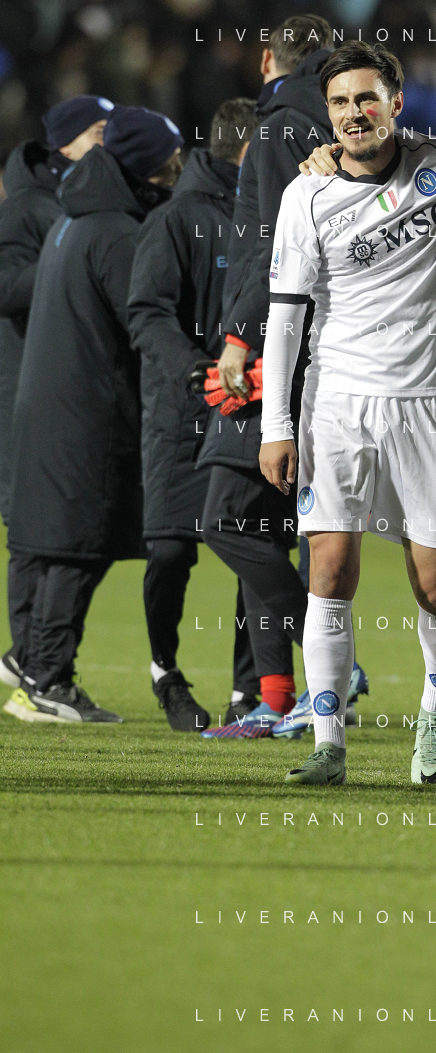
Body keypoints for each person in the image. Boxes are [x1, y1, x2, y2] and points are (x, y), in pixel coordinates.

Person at [259, 40, 436, 786]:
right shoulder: (305, 196)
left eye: (366, 98)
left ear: (396, 103)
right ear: (327, 114)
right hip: (336, 403)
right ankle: (328, 742)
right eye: (340, 103)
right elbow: (284, 317)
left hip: (423, 404)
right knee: (328, 570)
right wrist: (276, 427)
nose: (354, 113)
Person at [197, 15, 367, 735]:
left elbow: (273, 244)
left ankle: (334, 664)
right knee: (266, 528)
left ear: (268, 59)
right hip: (335, 346)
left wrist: (240, 338)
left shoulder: (275, 129)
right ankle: (274, 699)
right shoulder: (343, 126)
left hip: (276, 348)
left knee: (226, 520)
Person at [2, 106, 183, 724]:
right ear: (144, 166)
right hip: (90, 411)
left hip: (52, 404)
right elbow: (143, 320)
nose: (176, 169)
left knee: (47, 544)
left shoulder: (73, 221)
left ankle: (32, 666)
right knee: (77, 547)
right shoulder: (115, 233)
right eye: (168, 160)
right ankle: (48, 679)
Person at [127, 99, 257, 732]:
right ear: (250, 149)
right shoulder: (177, 218)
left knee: (256, 549)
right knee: (172, 550)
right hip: (184, 412)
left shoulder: (272, 213)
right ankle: (165, 671)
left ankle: (250, 689)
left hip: (253, 411)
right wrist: (197, 372)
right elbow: (147, 311)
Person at [0, 96, 114, 690]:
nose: (108, 139)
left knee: (49, 526)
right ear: (66, 142)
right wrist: (64, 261)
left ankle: (27, 658)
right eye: (98, 130)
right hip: (23, 382)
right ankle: (27, 659)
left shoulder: (80, 200)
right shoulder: (29, 207)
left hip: (60, 382)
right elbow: (3, 287)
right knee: (32, 527)